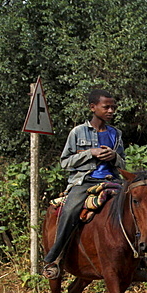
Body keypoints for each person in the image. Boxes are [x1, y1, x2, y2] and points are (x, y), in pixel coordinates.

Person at [42, 89, 126, 279]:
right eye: (106, 107)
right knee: (70, 210)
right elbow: (65, 162)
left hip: (111, 180)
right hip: (84, 182)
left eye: (113, 107)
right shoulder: (78, 132)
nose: (111, 110)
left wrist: (114, 157)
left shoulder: (116, 134)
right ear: (93, 108)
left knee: (138, 204)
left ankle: (144, 260)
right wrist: (91, 153)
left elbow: (123, 162)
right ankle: (54, 259)